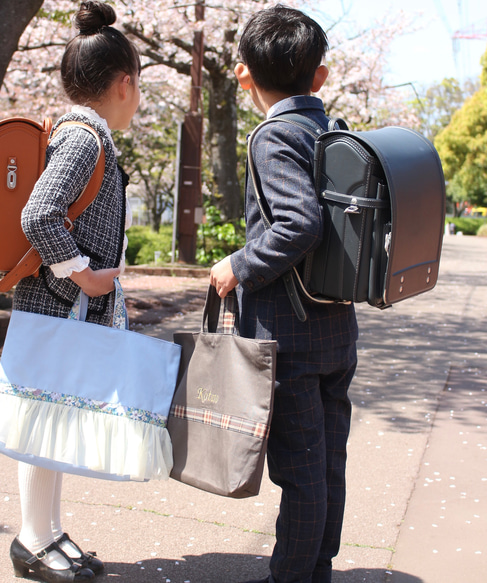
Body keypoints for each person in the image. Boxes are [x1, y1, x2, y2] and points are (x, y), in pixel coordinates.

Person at [0, 2, 141, 581]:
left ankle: (47, 534)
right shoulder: (85, 140)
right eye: (137, 86)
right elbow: (41, 214)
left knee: (51, 423)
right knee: (44, 425)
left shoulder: (80, 134)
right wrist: (83, 274)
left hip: (57, 309)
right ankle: (33, 540)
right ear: (124, 83)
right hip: (57, 306)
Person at [209, 6, 358, 583]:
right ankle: (317, 565)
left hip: (286, 333)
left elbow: (298, 223)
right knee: (328, 460)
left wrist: (237, 266)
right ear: (319, 77)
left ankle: (293, 575)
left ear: (245, 74)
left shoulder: (274, 135)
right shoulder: (334, 130)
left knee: (299, 468)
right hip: (335, 322)